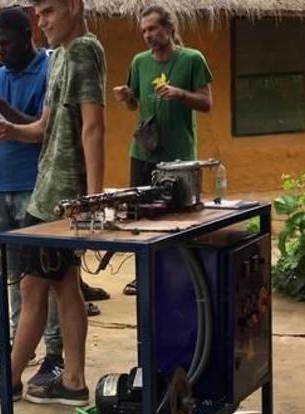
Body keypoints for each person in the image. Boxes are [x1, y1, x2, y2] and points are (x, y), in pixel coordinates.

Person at [0, 0, 106, 406]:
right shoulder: (61, 56)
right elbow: (44, 127)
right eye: (38, 14)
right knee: (64, 285)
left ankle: (10, 380)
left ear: (74, 6)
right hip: (50, 186)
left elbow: (93, 127)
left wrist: (93, 201)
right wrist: (11, 129)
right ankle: (72, 382)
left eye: (49, 11)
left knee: (31, 287)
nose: (42, 22)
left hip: (58, 195)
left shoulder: (83, 51)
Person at [0, 8, 62, 386]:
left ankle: (54, 355)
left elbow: (44, 129)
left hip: (37, 189)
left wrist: (0, 105)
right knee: (11, 275)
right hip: (1, 189)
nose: (0, 50)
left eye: (6, 43)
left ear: (27, 35)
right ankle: (17, 345)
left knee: (45, 277)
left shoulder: (49, 70)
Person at [113, 4, 212, 295]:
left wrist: (180, 94)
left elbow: (207, 103)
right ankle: (143, 276)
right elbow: (135, 104)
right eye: (144, 30)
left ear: (169, 28)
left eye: (153, 28)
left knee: (177, 219)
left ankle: (177, 278)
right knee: (140, 216)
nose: (148, 35)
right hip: (143, 152)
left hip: (178, 157)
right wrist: (127, 97)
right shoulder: (139, 62)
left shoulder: (192, 59)